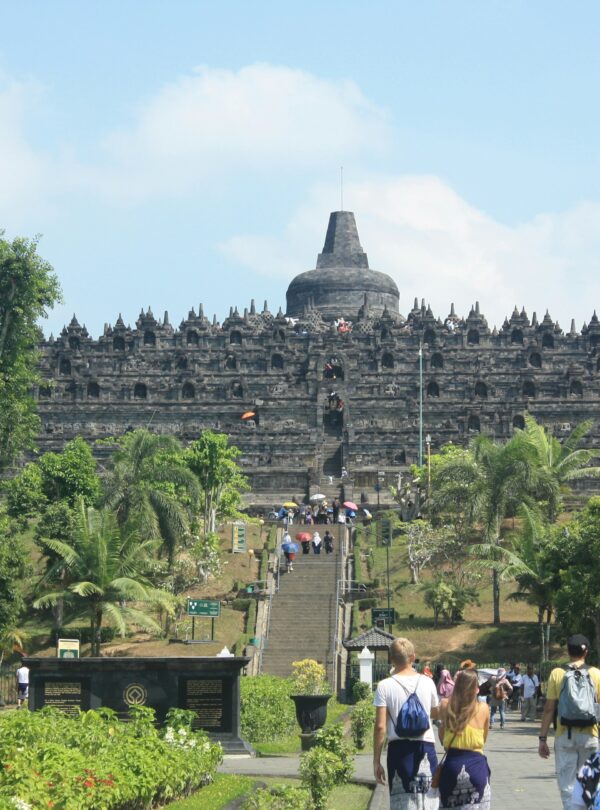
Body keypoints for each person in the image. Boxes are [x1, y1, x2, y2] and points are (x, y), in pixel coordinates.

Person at [373, 637, 439, 809]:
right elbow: (434, 712)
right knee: (429, 802)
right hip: (425, 747)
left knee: (401, 803)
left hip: (399, 751)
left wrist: (376, 760)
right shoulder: (427, 682)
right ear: (413, 657)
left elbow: (380, 726)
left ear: (391, 659)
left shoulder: (384, 686)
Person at [539, 634, 600, 809]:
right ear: (586, 652)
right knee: (590, 786)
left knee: (567, 787)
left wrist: (542, 739)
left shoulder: (557, 674)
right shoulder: (596, 674)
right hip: (591, 736)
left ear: (568, 651)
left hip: (564, 736)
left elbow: (549, 709)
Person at [432, 669, 491, 808]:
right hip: (477, 767)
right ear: (476, 689)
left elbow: (442, 736)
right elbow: (484, 738)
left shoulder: (446, 705)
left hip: (452, 766)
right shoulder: (484, 708)